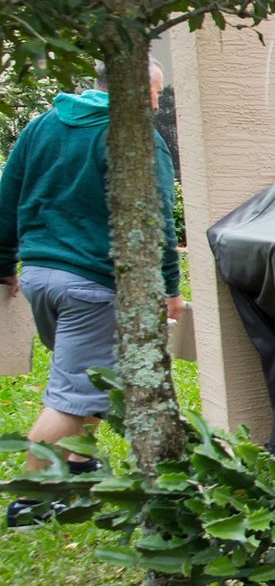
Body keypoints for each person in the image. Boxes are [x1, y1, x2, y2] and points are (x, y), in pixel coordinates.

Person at [1, 63, 182, 487]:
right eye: (154, 93)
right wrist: (171, 286)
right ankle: (34, 496)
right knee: (73, 395)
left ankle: (79, 466)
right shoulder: (133, 137)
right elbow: (157, 220)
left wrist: (4, 262)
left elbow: (8, 196)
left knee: (94, 377)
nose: (156, 104)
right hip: (91, 283)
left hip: (39, 276)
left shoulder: (42, 125)